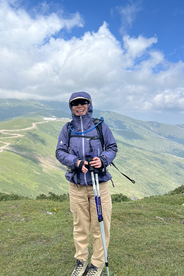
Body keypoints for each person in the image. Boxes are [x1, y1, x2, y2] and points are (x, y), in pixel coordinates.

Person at [56, 91, 118, 276]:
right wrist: (75, 162)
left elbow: (112, 147)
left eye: (83, 102)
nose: (79, 106)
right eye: (75, 104)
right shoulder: (67, 129)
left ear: (89, 105)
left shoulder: (100, 126)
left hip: (99, 184)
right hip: (77, 185)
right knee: (80, 225)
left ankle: (97, 264)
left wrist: (103, 159)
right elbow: (60, 152)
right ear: (71, 107)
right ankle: (81, 260)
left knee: (100, 224)